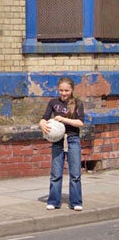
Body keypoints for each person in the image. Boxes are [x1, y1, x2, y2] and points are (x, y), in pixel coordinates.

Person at [39, 76, 85, 211]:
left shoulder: (77, 103)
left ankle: (76, 201)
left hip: (73, 139)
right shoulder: (53, 102)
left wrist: (63, 119)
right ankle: (53, 201)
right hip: (58, 141)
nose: (64, 93)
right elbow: (44, 118)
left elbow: (80, 123)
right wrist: (42, 124)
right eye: (61, 90)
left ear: (72, 90)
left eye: (66, 90)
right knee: (56, 173)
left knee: (75, 173)